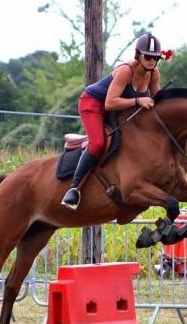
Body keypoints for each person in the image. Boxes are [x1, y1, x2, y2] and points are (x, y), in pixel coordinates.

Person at [61, 32, 165, 210]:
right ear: (138, 55)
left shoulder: (154, 74)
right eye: (147, 57)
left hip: (118, 108)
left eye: (155, 58)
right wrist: (138, 100)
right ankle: (73, 189)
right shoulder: (126, 71)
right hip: (92, 104)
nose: (151, 61)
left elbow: (158, 100)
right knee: (98, 143)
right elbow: (109, 103)